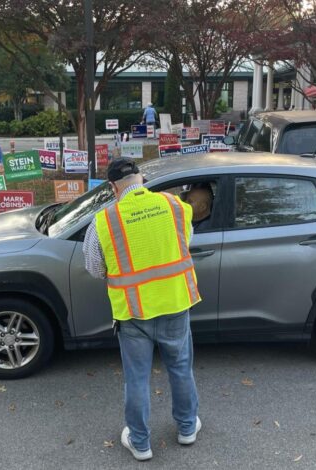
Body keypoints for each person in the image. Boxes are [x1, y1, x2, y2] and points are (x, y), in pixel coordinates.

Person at [84, 158, 202, 462]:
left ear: (112, 188)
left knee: (137, 379)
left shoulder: (104, 221)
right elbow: (185, 241)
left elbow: (95, 268)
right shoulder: (174, 205)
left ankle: (140, 443)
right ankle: (187, 428)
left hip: (133, 312)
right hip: (175, 303)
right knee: (180, 368)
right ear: (142, 178)